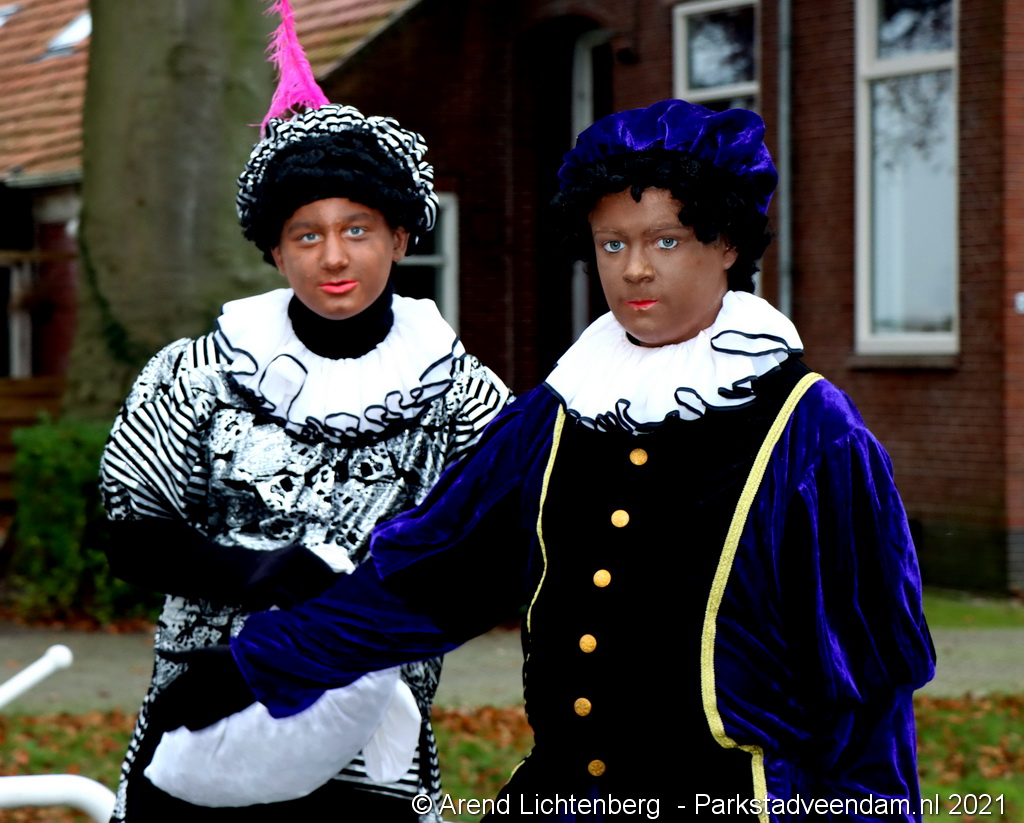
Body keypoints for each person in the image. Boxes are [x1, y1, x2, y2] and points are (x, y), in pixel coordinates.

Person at [149, 99, 935, 821]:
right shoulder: (557, 415)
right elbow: (425, 580)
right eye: (613, 243)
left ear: (726, 243)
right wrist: (257, 663)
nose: (634, 268)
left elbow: (868, 692)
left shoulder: (814, 433)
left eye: (666, 240)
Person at [97, 9, 510, 819]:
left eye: (357, 228)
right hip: (202, 722)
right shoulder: (196, 374)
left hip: (371, 747)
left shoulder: (466, 401)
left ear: (400, 236)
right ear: (275, 250)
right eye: (306, 233)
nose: (334, 256)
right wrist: (252, 570)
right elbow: (131, 533)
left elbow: (486, 564)